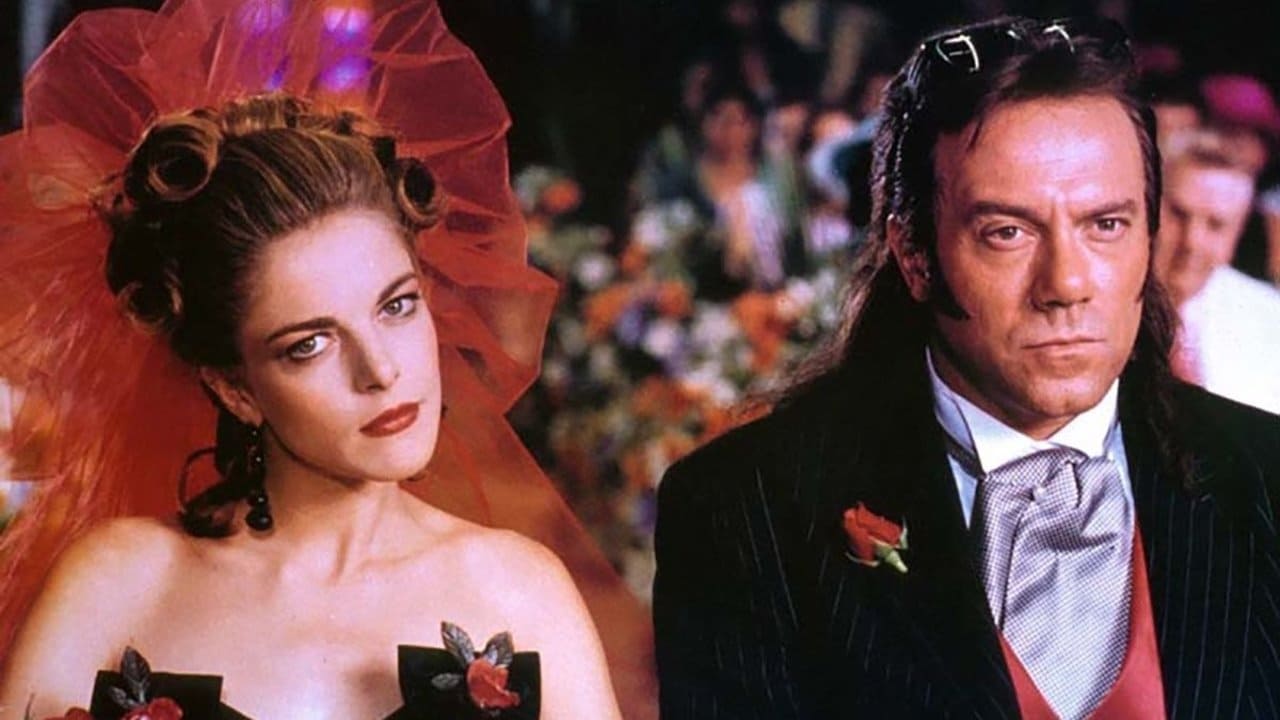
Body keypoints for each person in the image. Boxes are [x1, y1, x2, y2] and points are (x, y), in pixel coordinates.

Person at [0, 1, 635, 718]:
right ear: (234, 388)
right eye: (310, 344)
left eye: (397, 306)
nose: (380, 370)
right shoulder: (119, 585)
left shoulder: (519, 593)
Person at [653, 15, 1280, 719]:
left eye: (1105, 225)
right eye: (1007, 232)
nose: (1066, 284)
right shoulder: (746, 510)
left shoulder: (1266, 477)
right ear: (916, 256)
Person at [1155, 128, 1280, 415]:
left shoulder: (1271, 318)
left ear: (1237, 233)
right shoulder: (1099, 303)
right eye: (1179, 215)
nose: (1192, 242)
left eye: (1216, 225)